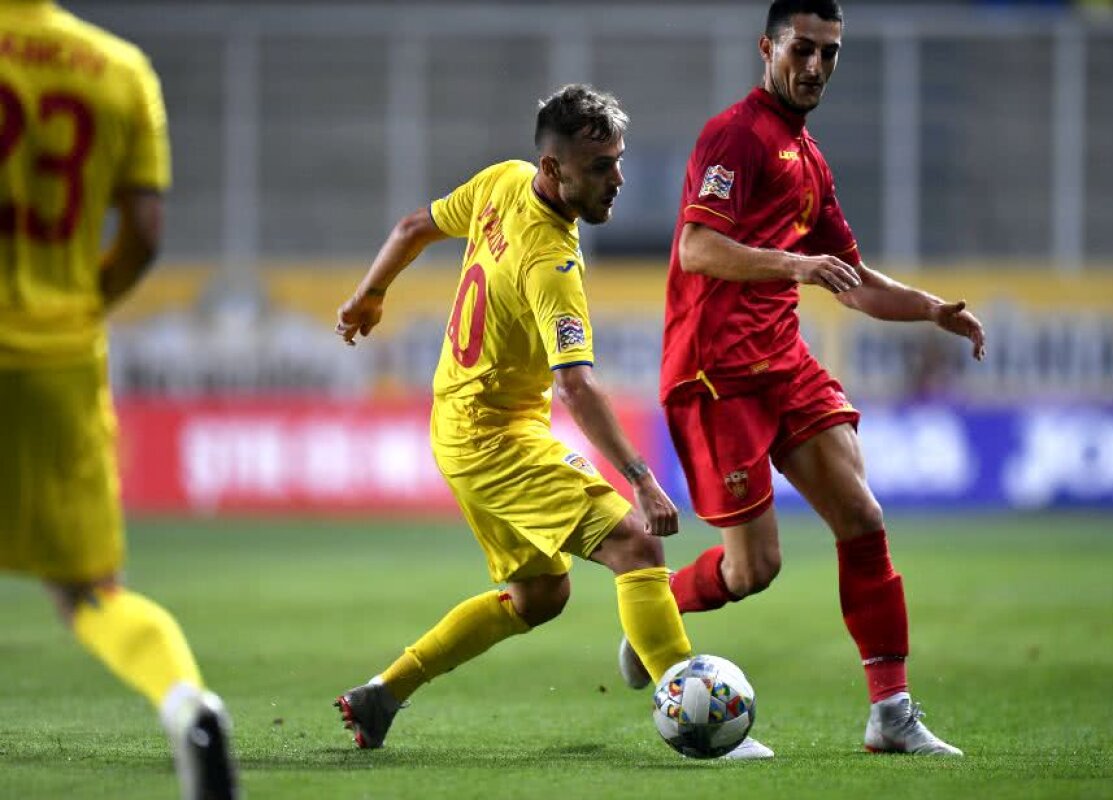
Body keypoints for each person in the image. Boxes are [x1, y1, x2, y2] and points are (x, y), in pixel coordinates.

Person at [618, 0, 986, 757]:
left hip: (783, 361)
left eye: (829, 54)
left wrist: (928, 309)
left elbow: (848, 278)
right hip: (717, 374)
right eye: (803, 50)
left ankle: (891, 714)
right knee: (755, 570)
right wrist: (794, 264)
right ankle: (652, 617)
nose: (815, 67)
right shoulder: (736, 137)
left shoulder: (808, 159)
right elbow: (697, 248)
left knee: (864, 519)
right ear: (768, 47)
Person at [332, 84, 708, 754]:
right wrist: (642, 479)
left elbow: (413, 228)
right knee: (636, 543)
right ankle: (700, 720)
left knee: (539, 596)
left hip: (458, 423)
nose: (618, 179)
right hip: (494, 437)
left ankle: (382, 694)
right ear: (553, 169)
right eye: (600, 168)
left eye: (618, 161)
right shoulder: (551, 260)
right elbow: (577, 388)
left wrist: (370, 295)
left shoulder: (501, 180)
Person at [0, 1, 238, 797]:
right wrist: (75, 303)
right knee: (91, 591)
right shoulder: (119, 69)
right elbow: (144, 230)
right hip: (60, 352)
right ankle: (186, 702)